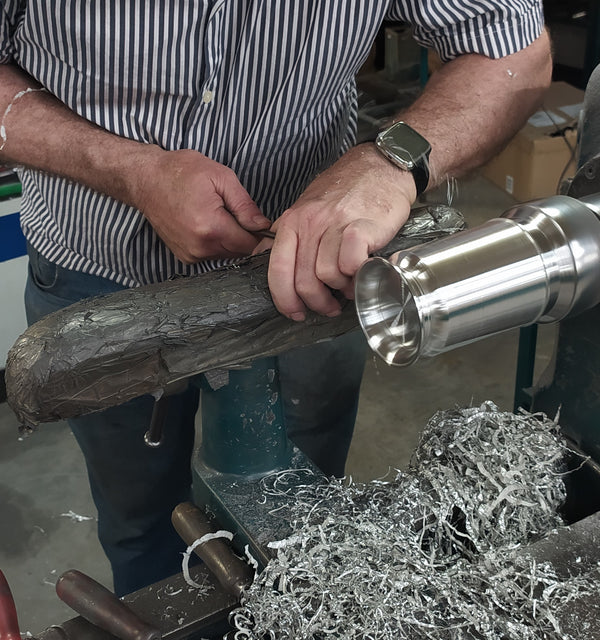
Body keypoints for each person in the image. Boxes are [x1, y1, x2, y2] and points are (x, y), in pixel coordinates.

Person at [0, 2, 552, 596]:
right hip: (96, 271)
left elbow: (514, 49)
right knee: (140, 524)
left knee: (297, 527)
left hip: (313, 286)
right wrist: (128, 171)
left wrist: (391, 161)